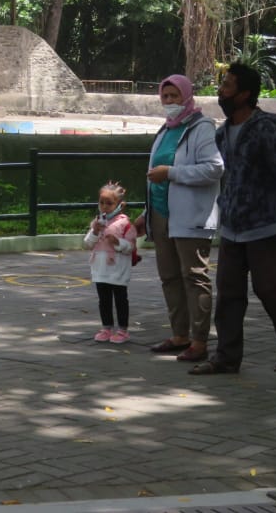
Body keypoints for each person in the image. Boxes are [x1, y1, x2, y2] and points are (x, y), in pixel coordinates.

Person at [190, 62, 276, 375]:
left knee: (270, 288)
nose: (221, 91)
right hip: (232, 224)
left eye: (227, 86)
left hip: (263, 223)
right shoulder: (222, 133)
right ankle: (227, 358)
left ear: (244, 94)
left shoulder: (264, 130)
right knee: (229, 293)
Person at [134, 75, 223, 363]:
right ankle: (179, 334)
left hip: (190, 217)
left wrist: (171, 173)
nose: (170, 102)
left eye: (175, 96)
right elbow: (156, 179)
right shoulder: (165, 130)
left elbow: (214, 168)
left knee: (194, 276)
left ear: (187, 97)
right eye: (165, 97)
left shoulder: (202, 128)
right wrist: (147, 213)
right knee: (169, 277)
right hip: (161, 215)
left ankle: (199, 341)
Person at [84, 180, 138, 344]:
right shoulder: (98, 222)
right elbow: (88, 243)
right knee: (104, 299)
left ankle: (123, 329)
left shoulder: (125, 223)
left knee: (121, 299)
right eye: (102, 202)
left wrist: (118, 242)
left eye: (109, 203)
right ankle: (106, 327)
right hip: (100, 269)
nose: (105, 206)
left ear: (120, 205)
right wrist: (94, 231)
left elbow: (131, 247)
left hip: (118, 269)